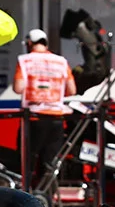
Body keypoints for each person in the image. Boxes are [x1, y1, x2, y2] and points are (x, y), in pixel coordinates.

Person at [15, 28, 76, 181]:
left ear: (29, 43)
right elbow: (72, 90)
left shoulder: (24, 60)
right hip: (56, 117)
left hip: (34, 117)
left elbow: (18, 88)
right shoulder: (61, 61)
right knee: (49, 162)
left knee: (26, 159)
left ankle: (26, 193)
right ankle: (48, 196)